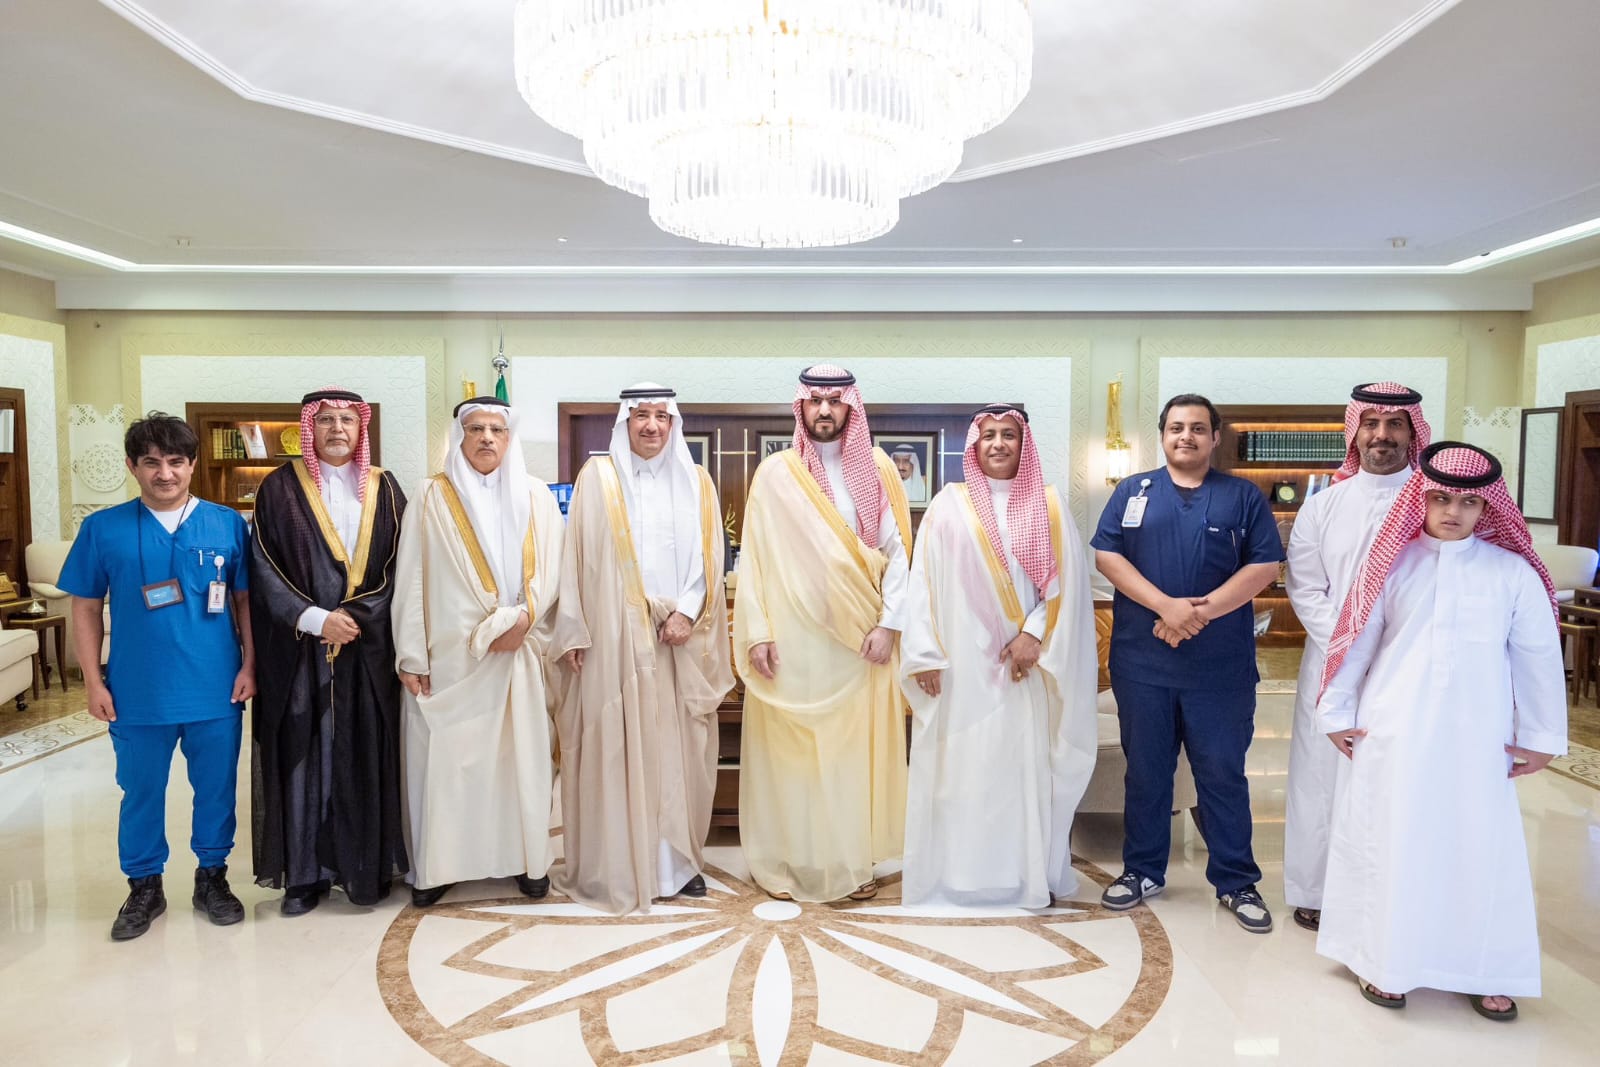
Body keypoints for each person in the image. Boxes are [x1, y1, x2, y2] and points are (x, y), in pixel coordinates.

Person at [1316, 442, 1565, 1020]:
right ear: (1420, 499)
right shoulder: (1391, 564)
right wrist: (1337, 712)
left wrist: (1542, 735)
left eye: (1468, 502)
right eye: (1440, 498)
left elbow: (1537, 658)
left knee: (1478, 844)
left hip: (1479, 735)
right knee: (1392, 840)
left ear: (1487, 508)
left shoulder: (1513, 573)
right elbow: (1356, 644)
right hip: (1393, 726)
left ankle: (1484, 969)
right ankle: (1381, 961)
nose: (1453, 511)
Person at [1090, 393, 1283, 932]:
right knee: (1146, 772)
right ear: (1162, 435)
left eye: (1198, 428)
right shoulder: (1132, 492)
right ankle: (1142, 870)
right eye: (1176, 427)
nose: (1186, 436)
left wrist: (1199, 613)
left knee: (1222, 773)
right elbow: (1107, 555)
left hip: (1219, 669)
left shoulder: (1242, 496)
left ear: (1215, 438)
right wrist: (1166, 607)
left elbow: (1265, 565)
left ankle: (1236, 880)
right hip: (1143, 664)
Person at [60, 412, 255, 940]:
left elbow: (244, 602)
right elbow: (84, 608)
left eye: (175, 461)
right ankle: (144, 885)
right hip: (136, 692)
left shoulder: (227, 525)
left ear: (192, 465)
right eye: (151, 462)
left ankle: (212, 877)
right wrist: (93, 682)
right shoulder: (103, 529)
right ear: (132, 466)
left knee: (216, 789)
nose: (164, 473)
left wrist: (250, 665)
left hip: (215, 688)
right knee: (141, 791)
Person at [900, 405, 1098, 907]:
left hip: (1023, 669)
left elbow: (1067, 586)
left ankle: (1019, 877)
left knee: (1017, 771)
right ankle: (956, 877)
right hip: (959, 668)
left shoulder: (1048, 504)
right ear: (974, 444)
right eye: (988, 435)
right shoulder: (948, 505)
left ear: (1023, 443)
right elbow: (921, 583)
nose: (998, 443)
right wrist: (924, 654)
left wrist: (1034, 635)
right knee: (960, 771)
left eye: (1008, 434)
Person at [733, 364, 913, 903]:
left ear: (851, 407)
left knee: (848, 756)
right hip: (793, 642)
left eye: (835, 400)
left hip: (858, 641)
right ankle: (797, 860)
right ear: (802, 407)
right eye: (815, 400)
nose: (826, 410)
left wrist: (889, 624)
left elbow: (897, 553)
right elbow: (755, 559)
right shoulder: (775, 474)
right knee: (793, 753)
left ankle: (851, 861)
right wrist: (757, 631)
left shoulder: (878, 468)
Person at [553, 383, 734, 914]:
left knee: (678, 748)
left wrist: (686, 612)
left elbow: (709, 560)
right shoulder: (597, 478)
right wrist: (574, 629)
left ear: (673, 423)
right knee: (615, 748)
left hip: (676, 640)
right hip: (612, 638)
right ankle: (617, 865)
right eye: (641, 416)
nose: (651, 425)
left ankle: (678, 863)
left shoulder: (697, 481)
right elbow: (574, 557)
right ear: (624, 423)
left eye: (661, 416)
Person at [391, 396, 564, 907]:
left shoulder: (536, 495)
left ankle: (527, 862)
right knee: (450, 766)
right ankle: (441, 867)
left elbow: (554, 570)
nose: (487, 437)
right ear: (459, 437)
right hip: (452, 658)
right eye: (476, 429)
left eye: (497, 429)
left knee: (519, 763)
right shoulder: (431, 495)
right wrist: (411, 655)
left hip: (518, 654)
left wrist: (526, 620)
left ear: (510, 439)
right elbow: (412, 578)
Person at [249, 387, 409, 915]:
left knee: (365, 751)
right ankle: (304, 876)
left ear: (361, 429)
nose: (337, 429)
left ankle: (364, 868)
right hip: (301, 647)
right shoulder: (278, 488)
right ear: (308, 428)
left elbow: (403, 565)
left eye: (347, 420)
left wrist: (357, 617)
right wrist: (316, 619)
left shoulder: (386, 488)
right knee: (303, 755)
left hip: (367, 647)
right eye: (326, 421)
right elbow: (262, 565)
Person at [1282, 382, 1431, 932]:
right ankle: (1316, 892)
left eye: (1395, 425)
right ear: (1355, 432)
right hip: (1331, 665)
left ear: (1413, 433)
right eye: (1371, 423)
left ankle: (1391, 892)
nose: (1382, 435)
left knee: (1397, 778)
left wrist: (1389, 653)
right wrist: (1352, 648)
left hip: (1408, 666)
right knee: (1320, 779)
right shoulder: (1323, 506)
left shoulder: (1432, 503)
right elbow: (1305, 587)